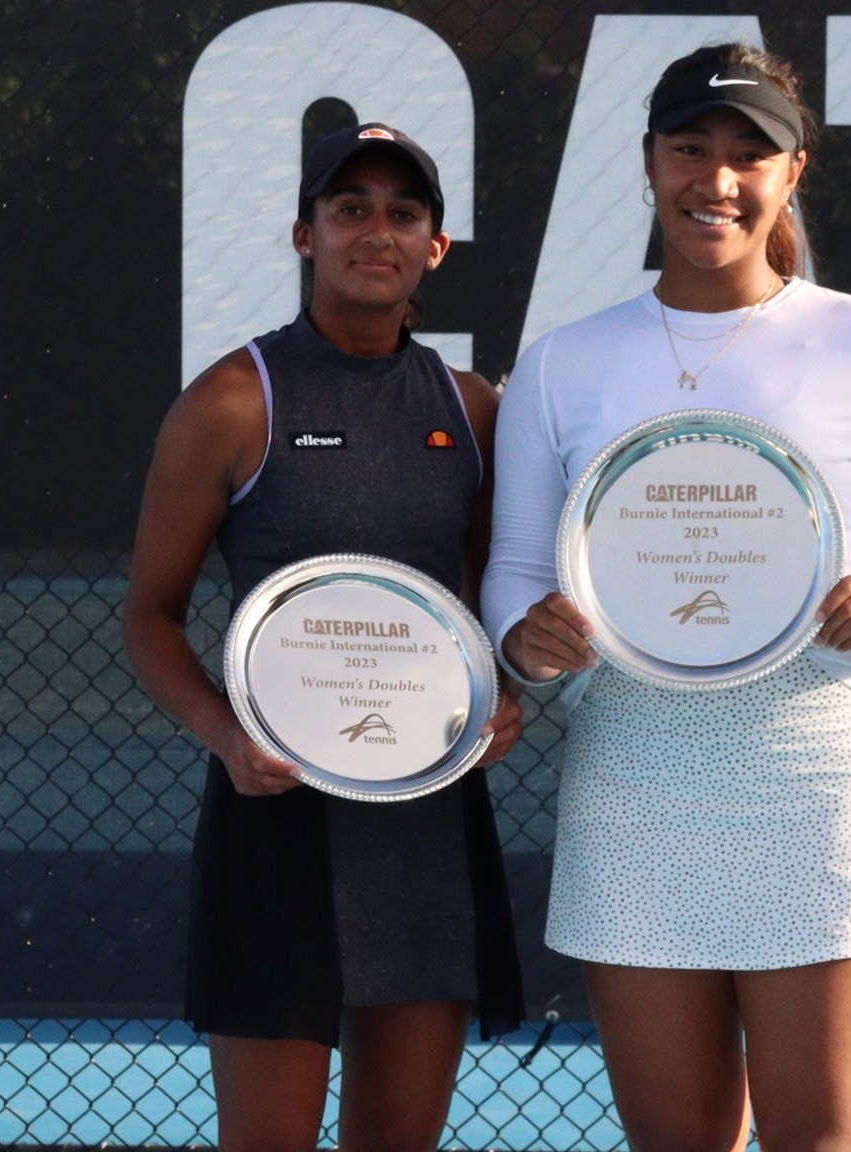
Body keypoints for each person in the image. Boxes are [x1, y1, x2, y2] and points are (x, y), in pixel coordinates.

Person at [482, 44, 851, 1152]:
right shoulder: (564, 364)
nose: (716, 179)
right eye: (690, 150)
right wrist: (530, 639)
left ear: (791, 173)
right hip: (637, 788)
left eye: (748, 155)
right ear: (648, 164)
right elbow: (514, 578)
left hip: (820, 783)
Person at [122, 122, 525, 1152]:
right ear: (305, 235)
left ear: (436, 247)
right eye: (350, 210)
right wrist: (225, 738)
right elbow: (149, 617)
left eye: (402, 213)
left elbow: (489, 618)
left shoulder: (472, 409)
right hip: (277, 824)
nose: (374, 233)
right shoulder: (228, 401)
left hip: (424, 828)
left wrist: (505, 693)